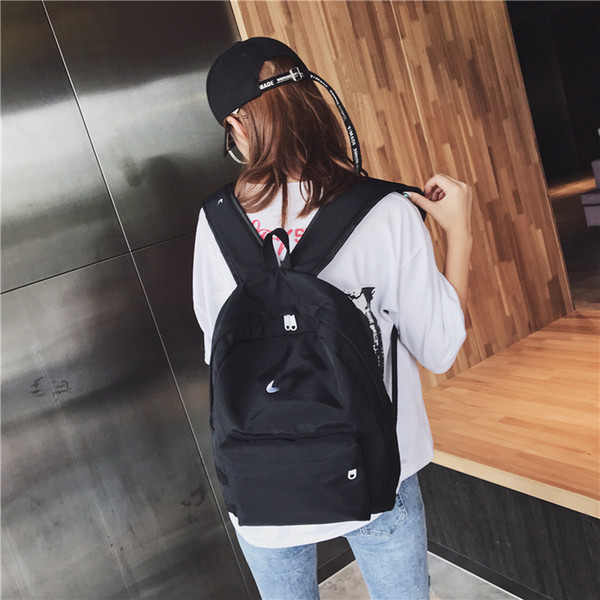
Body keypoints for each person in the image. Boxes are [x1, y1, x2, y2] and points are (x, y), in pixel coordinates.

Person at [193, 37, 472, 600]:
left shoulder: (215, 221)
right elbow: (440, 349)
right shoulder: (387, 210)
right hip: (376, 468)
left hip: (260, 477)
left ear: (237, 127)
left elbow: (216, 347)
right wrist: (460, 232)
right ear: (318, 104)